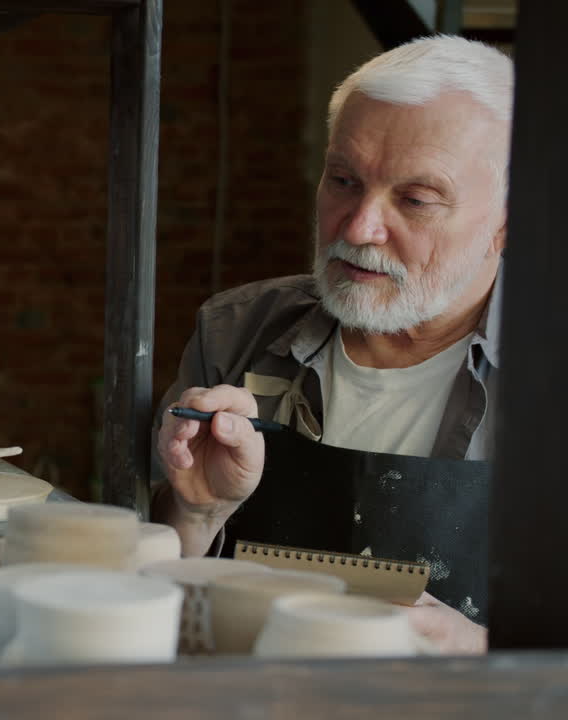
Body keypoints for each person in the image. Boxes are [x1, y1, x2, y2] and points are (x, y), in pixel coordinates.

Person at [152, 35, 511, 655]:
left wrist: (483, 651)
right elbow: (133, 600)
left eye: (416, 200)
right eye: (343, 180)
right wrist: (196, 516)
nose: (359, 227)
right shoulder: (237, 332)